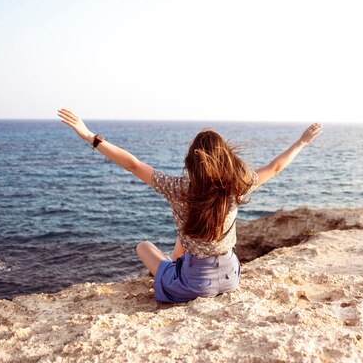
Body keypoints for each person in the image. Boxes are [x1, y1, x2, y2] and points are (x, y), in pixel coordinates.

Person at [57, 108, 322, 303]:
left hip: (196, 284)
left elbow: (133, 164)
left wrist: (90, 136)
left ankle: (174, 271)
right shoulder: (236, 185)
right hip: (231, 277)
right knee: (186, 232)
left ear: (191, 163)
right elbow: (275, 167)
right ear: (226, 158)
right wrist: (302, 142)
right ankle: (178, 264)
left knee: (144, 247)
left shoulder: (178, 189)